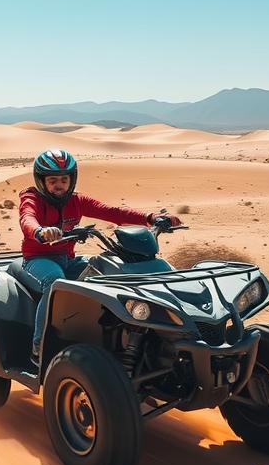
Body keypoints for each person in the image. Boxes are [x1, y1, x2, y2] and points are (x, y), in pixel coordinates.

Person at [20, 149, 181, 360]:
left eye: (63, 180)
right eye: (52, 180)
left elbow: (113, 212)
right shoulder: (32, 198)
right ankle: (40, 347)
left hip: (68, 259)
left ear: (72, 180)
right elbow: (27, 218)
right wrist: (40, 231)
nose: (58, 185)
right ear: (42, 182)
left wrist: (150, 217)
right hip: (37, 260)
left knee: (105, 268)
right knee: (54, 282)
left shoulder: (76, 201)